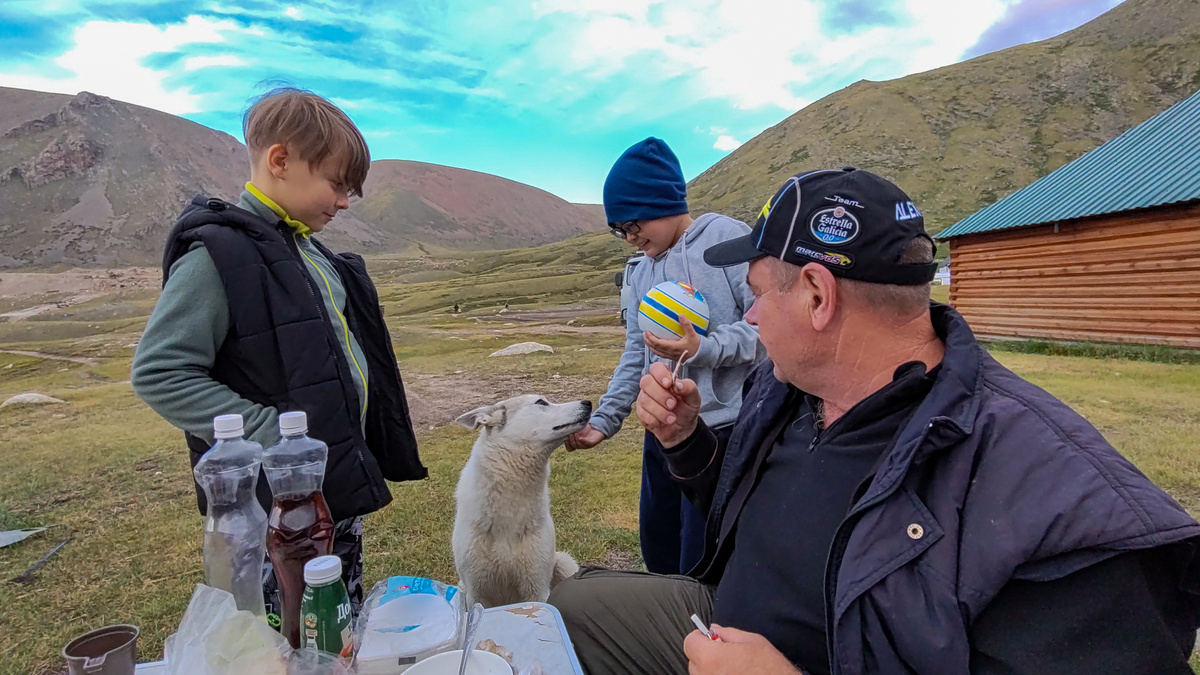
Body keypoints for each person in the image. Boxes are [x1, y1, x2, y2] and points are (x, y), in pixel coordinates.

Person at [550, 168, 1200, 674]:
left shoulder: (1060, 507)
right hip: (720, 622)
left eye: (756, 293)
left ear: (816, 295)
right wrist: (688, 443)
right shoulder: (789, 388)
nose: (748, 318)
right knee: (566, 609)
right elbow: (755, 513)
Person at [131, 87, 426, 620]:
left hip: (326, 486)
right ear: (281, 160)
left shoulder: (312, 255)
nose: (342, 202)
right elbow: (160, 371)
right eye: (336, 184)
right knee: (285, 632)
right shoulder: (219, 257)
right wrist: (270, 433)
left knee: (335, 618)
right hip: (274, 503)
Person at [565, 137, 762, 575]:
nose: (630, 238)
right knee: (660, 546)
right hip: (662, 432)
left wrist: (703, 348)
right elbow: (636, 351)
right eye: (620, 230)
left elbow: (766, 331)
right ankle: (663, 635)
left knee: (703, 556)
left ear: (663, 201)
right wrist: (604, 421)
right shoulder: (639, 272)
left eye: (634, 224)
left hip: (724, 432)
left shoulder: (726, 241)